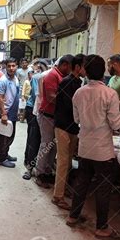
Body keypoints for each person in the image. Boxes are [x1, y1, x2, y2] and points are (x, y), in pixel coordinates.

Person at [66, 54, 120, 240]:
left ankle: (73, 216)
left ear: (85, 71)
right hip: (102, 149)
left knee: (82, 182)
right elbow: (116, 124)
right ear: (103, 71)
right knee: (103, 188)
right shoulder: (109, 94)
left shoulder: (79, 92)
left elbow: (76, 119)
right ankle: (102, 227)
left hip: (85, 146)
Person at [52, 54, 85, 210]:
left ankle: (63, 191)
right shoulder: (67, 82)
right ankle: (58, 196)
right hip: (63, 126)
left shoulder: (79, 83)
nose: (87, 70)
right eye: (85, 66)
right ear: (77, 67)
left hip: (72, 127)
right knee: (64, 161)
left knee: (68, 161)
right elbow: (68, 107)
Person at [35, 55, 73, 187]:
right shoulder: (52, 75)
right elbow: (51, 97)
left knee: (53, 147)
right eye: (70, 67)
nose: (71, 70)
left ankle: (47, 172)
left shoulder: (59, 76)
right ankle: (39, 174)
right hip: (47, 115)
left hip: (54, 116)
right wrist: (68, 103)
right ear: (64, 65)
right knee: (46, 145)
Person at [23, 59, 48, 180]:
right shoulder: (38, 77)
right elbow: (36, 96)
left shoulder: (38, 76)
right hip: (34, 110)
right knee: (34, 139)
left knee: (32, 138)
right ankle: (29, 166)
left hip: (35, 110)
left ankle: (28, 162)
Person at [0, 58, 20, 168]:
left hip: (13, 112)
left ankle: (5, 154)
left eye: (13, 66)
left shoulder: (15, 78)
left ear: (16, 66)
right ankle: (2, 159)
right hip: (6, 111)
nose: (11, 68)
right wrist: (3, 114)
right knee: (4, 136)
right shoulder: (3, 80)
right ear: (5, 67)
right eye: (9, 66)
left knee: (11, 134)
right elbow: (0, 98)